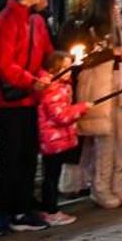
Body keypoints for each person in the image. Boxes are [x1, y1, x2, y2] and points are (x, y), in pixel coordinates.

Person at [0, 0, 53, 236]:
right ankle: (3, 210)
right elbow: (3, 64)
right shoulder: (5, 21)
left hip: (30, 98)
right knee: (10, 156)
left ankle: (23, 208)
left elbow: (45, 54)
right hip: (9, 100)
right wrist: (30, 80)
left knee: (27, 155)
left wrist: (48, 72)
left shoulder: (35, 21)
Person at [75, 0, 122, 207]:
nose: (117, 10)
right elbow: (84, 59)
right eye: (114, 6)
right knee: (106, 141)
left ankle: (119, 183)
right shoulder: (89, 30)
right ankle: (101, 187)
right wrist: (113, 52)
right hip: (101, 87)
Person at [35, 50, 88, 226]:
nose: (69, 70)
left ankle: (50, 208)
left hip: (57, 138)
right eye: (64, 67)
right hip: (52, 139)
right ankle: (50, 210)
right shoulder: (52, 89)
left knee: (52, 174)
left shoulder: (61, 86)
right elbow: (61, 116)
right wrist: (81, 108)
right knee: (51, 175)